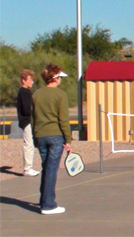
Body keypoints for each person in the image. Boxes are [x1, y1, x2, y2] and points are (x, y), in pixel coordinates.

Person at [32, 64, 72, 215]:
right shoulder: (60, 95)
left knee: (46, 168)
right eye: (60, 77)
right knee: (51, 170)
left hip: (40, 135)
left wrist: (35, 136)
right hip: (55, 136)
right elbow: (63, 119)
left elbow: (33, 117)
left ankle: (45, 200)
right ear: (55, 78)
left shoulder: (36, 94)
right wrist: (68, 140)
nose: (61, 79)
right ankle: (48, 205)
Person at [16, 69, 39, 177]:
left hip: (29, 121)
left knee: (30, 144)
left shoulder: (27, 92)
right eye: (30, 80)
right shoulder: (23, 92)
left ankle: (29, 167)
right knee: (28, 144)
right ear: (24, 80)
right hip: (26, 121)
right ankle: (27, 168)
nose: (32, 82)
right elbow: (26, 109)